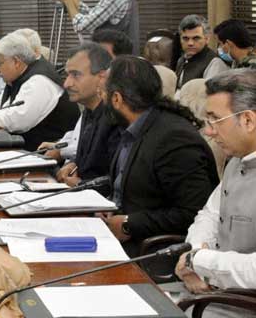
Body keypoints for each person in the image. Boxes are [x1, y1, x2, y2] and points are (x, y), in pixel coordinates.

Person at [101, 56, 219, 256]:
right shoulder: (133, 128)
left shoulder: (174, 139)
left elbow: (193, 212)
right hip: (120, 237)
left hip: (151, 251)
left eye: (103, 92)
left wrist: (129, 224)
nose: (101, 99)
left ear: (117, 99)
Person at [174, 69, 256, 318]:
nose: (208, 132)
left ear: (248, 121)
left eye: (214, 120)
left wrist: (199, 261)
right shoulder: (236, 160)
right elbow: (209, 214)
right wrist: (196, 255)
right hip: (212, 292)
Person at [0, 32, 79, 151]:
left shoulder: (38, 81)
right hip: (26, 148)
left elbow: (16, 121)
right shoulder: (21, 75)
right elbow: (1, 104)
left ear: (16, 61)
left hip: (46, 156)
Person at [50, 42, 121, 186]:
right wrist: (74, 165)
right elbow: (90, 162)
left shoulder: (116, 116)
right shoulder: (89, 109)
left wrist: (81, 184)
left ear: (102, 77)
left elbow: (119, 177)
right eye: (67, 75)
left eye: (76, 75)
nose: (67, 84)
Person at [175, 15, 229, 90]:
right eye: (185, 38)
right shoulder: (181, 60)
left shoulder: (215, 63)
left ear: (207, 39)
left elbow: (209, 96)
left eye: (196, 38)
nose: (190, 43)